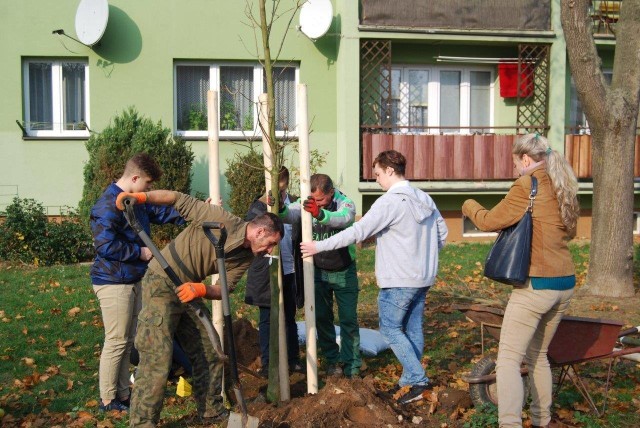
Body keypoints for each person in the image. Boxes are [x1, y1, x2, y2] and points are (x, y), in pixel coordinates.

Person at [114, 189, 284, 427]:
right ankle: (142, 423)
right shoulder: (220, 220)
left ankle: (211, 411)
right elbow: (177, 199)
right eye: (271, 243)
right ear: (260, 231)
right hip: (161, 283)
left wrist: (200, 290)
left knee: (211, 350)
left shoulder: (247, 256)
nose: (270, 250)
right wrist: (142, 197)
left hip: (188, 289)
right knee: (157, 359)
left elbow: (225, 289)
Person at [300, 151, 447, 405]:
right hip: (423, 277)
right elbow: (441, 234)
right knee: (412, 329)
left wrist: (318, 247)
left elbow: (356, 231)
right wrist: (423, 257)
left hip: (399, 279)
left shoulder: (389, 202)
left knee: (390, 330)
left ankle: (418, 379)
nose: (376, 179)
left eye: (378, 174)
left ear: (390, 171)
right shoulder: (424, 198)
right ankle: (409, 381)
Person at [462, 133, 580, 428]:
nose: (516, 170)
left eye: (517, 164)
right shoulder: (561, 182)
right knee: (538, 356)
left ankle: (510, 424)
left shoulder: (528, 184)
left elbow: (488, 221)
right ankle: (542, 420)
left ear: (526, 159)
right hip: (564, 283)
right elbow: (570, 231)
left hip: (536, 286)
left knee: (508, 361)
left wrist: (468, 204)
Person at [90, 153, 185, 412]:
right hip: (112, 280)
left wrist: (193, 212)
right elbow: (105, 244)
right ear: (134, 178)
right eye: (147, 183)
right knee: (117, 340)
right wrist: (139, 252)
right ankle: (108, 399)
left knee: (128, 338)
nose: (149, 189)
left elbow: (160, 212)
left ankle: (121, 394)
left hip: (133, 277)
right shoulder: (107, 205)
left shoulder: (135, 201)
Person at [280, 173, 361, 378]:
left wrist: (321, 215)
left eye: (322, 200)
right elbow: (291, 214)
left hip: (344, 271)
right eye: (314, 201)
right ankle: (333, 362)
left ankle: (352, 366)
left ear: (331, 193)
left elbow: (345, 219)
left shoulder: (345, 203)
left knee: (348, 320)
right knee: (322, 319)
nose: (317, 205)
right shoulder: (306, 202)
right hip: (316, 271)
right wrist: (280, 209)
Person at [244, 167, 304, 375]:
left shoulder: (292, 204)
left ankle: (293, 359)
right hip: (267, 272)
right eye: (277, 191)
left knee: (289, 316)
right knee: (268, 318)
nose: (281, 195)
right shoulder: (257, 209)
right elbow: (252, 234)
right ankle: (268, 363)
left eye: (283, 191)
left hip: (289, 269)